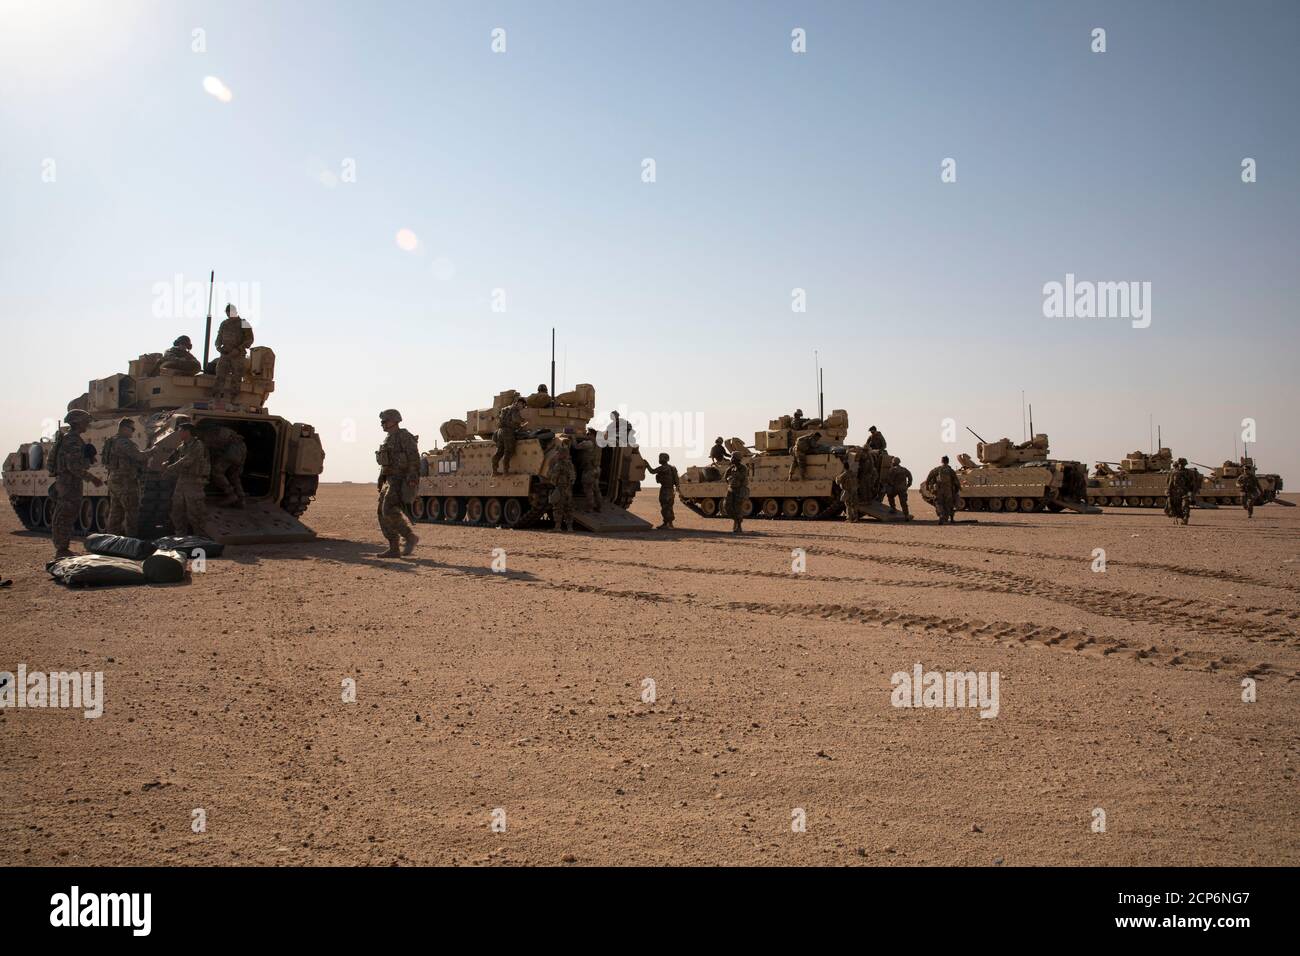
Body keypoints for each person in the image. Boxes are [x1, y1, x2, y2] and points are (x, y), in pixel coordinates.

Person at [49, 409, 103, 558]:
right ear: (77, 422)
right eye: (85, 421)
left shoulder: (74, 438)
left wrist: (87, 458)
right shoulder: (72, 440)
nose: (87, 424)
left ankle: (62, 547)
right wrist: (92, 478)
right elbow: (73, 466)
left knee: (67, 514)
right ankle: (62, 549)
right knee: (65, 515)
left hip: (69, 482)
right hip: (69, 482)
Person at [374, 409, 420, 557]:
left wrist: (412, 478)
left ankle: (409, 537)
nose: (382, 424)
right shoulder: (389, 438)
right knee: (382, 513)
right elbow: (386, 463)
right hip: (389, 480)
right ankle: (394, 547)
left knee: (387, 509)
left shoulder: (404, 437)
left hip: (400, 480)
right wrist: (381, 480)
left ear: (394, 420)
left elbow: (414, 458)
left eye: (385, 421)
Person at [162, 421, 210, 537]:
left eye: (180, 431)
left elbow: (188, 460)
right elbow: (174, 457)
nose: (179, 433)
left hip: (194, 482)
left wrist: (170, 468)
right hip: (182, 481)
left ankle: (200, 538)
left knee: (195, 512)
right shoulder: (182, 446)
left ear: (187, 432)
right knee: (177, 511)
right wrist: (167, 462)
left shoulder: (197, 445)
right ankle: (180, 536)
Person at [103, 418, 150, 537]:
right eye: (132, 429)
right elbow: (139, 456)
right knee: (131, 513)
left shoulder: (112, 441)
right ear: (124, 428)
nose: (133, 432)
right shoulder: (124, 442)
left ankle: (111, 541)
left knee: (115, 513)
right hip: (126, 482)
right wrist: (152, 451)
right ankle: (130, 541)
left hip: (114, 479)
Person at [200, 424, 247, 508]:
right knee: (234, 476)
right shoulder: (219, 431)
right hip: (242, 448)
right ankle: (241, 499)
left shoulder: (207, 435)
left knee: (216, 472)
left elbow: (206, 454)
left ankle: (231, 495)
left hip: (233, 450)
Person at [213, 304, 254, 401]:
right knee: (219, 375)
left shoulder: (243, 323)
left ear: (235, 312)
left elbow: (249, 339)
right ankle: (216, 397)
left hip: (237, 354)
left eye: (230, 312)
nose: (228, 314)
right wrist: (218, 347)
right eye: (227, 313)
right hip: (225, 353)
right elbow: (219, 338)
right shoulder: (224, 323)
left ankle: (233, 399)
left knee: (236, 377)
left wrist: (239, 349)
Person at [491, 398, 528, 476]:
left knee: (499, 451)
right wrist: (523, 422)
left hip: (500, 431)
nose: (522, 408)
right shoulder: (515, 409)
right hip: (508, 432)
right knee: (508, 451)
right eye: (523, 406)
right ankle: (505, 471)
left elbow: (499, 419)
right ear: (519, 403)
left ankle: (494, 471)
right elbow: (516, 420)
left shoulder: (505, 409)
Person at [646, 452, 680, 529]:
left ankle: (667, 524)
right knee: (669, 507)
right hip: (671, 490)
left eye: (661, 458)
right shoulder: (672, 468)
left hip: (665, 490)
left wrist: (647, 465)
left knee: (665, 507)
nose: (660, 459)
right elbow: (677, 481)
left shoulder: (663, 468)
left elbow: (652, 471)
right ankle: (669, 523)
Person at [549, 443, 576, 532]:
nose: (557, 454)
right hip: (568, 490)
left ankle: (557, 527)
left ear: (561, 454)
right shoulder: (570, 464)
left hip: (560, 488)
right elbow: (573, 477)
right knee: (568, 508)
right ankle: (569, 527)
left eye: (558, 453)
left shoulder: (559, 464)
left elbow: (553, 478)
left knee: (558, 508)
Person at [925, 455, 960, 525]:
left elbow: (929, 477)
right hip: (948, 490)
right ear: (948, 461)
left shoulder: (937, 469)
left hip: (939, 490)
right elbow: (956, 481)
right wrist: (956, 489)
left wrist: (927, 486)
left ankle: (941, 515)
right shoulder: (950, 470)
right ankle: (951, 518)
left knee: (938, 503)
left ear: (942, 461)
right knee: (949, 504)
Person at [575, 428, 603, 512]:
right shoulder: (598, 443)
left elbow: (576, 447)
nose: (587, 435)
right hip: (597, 469)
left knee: (588, 489)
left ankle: (590, 507)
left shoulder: (589, 443)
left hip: (589, 470)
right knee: (596, 489)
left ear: (592, 435)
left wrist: (572, 439)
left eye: (588, 434)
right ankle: (599, 506)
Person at [723, 451, 749, 534]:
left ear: (737, 459)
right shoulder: (731, 468)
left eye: (733, 458)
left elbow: (742, 477)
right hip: (731, 489)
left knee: (738, 508)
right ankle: (736, 521)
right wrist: (729, 479)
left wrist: (735, 475)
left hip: (740, 489)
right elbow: (725, 477)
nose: (731, 459)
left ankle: (738, 526)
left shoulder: (743, 468)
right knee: (727, 506)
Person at [1165, 457, 1192, 525]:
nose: (1182, 465)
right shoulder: (1173, 472)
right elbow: (1170, 483)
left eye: (1183, 464)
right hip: (1175, 493)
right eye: (1181, 464)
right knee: (1174, 506)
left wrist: (1190, 492)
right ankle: (1176, 518)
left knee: (1185, 505)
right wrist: (1168, 491)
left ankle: (1185, 519)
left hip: (1184, 492)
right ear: (1178, 464)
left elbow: (1191, 483)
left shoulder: (1188, 472)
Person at [885, 456, 912, 520]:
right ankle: (906, 515)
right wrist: (908, 484)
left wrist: (890, 485)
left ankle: (893, 508)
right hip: (903, 488)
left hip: (895, 488)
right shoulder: (904, 469)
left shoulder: (892, 469)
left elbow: (889, 479)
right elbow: (910, 476)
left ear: (893, 462)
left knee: (890, 496)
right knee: (903, 502)